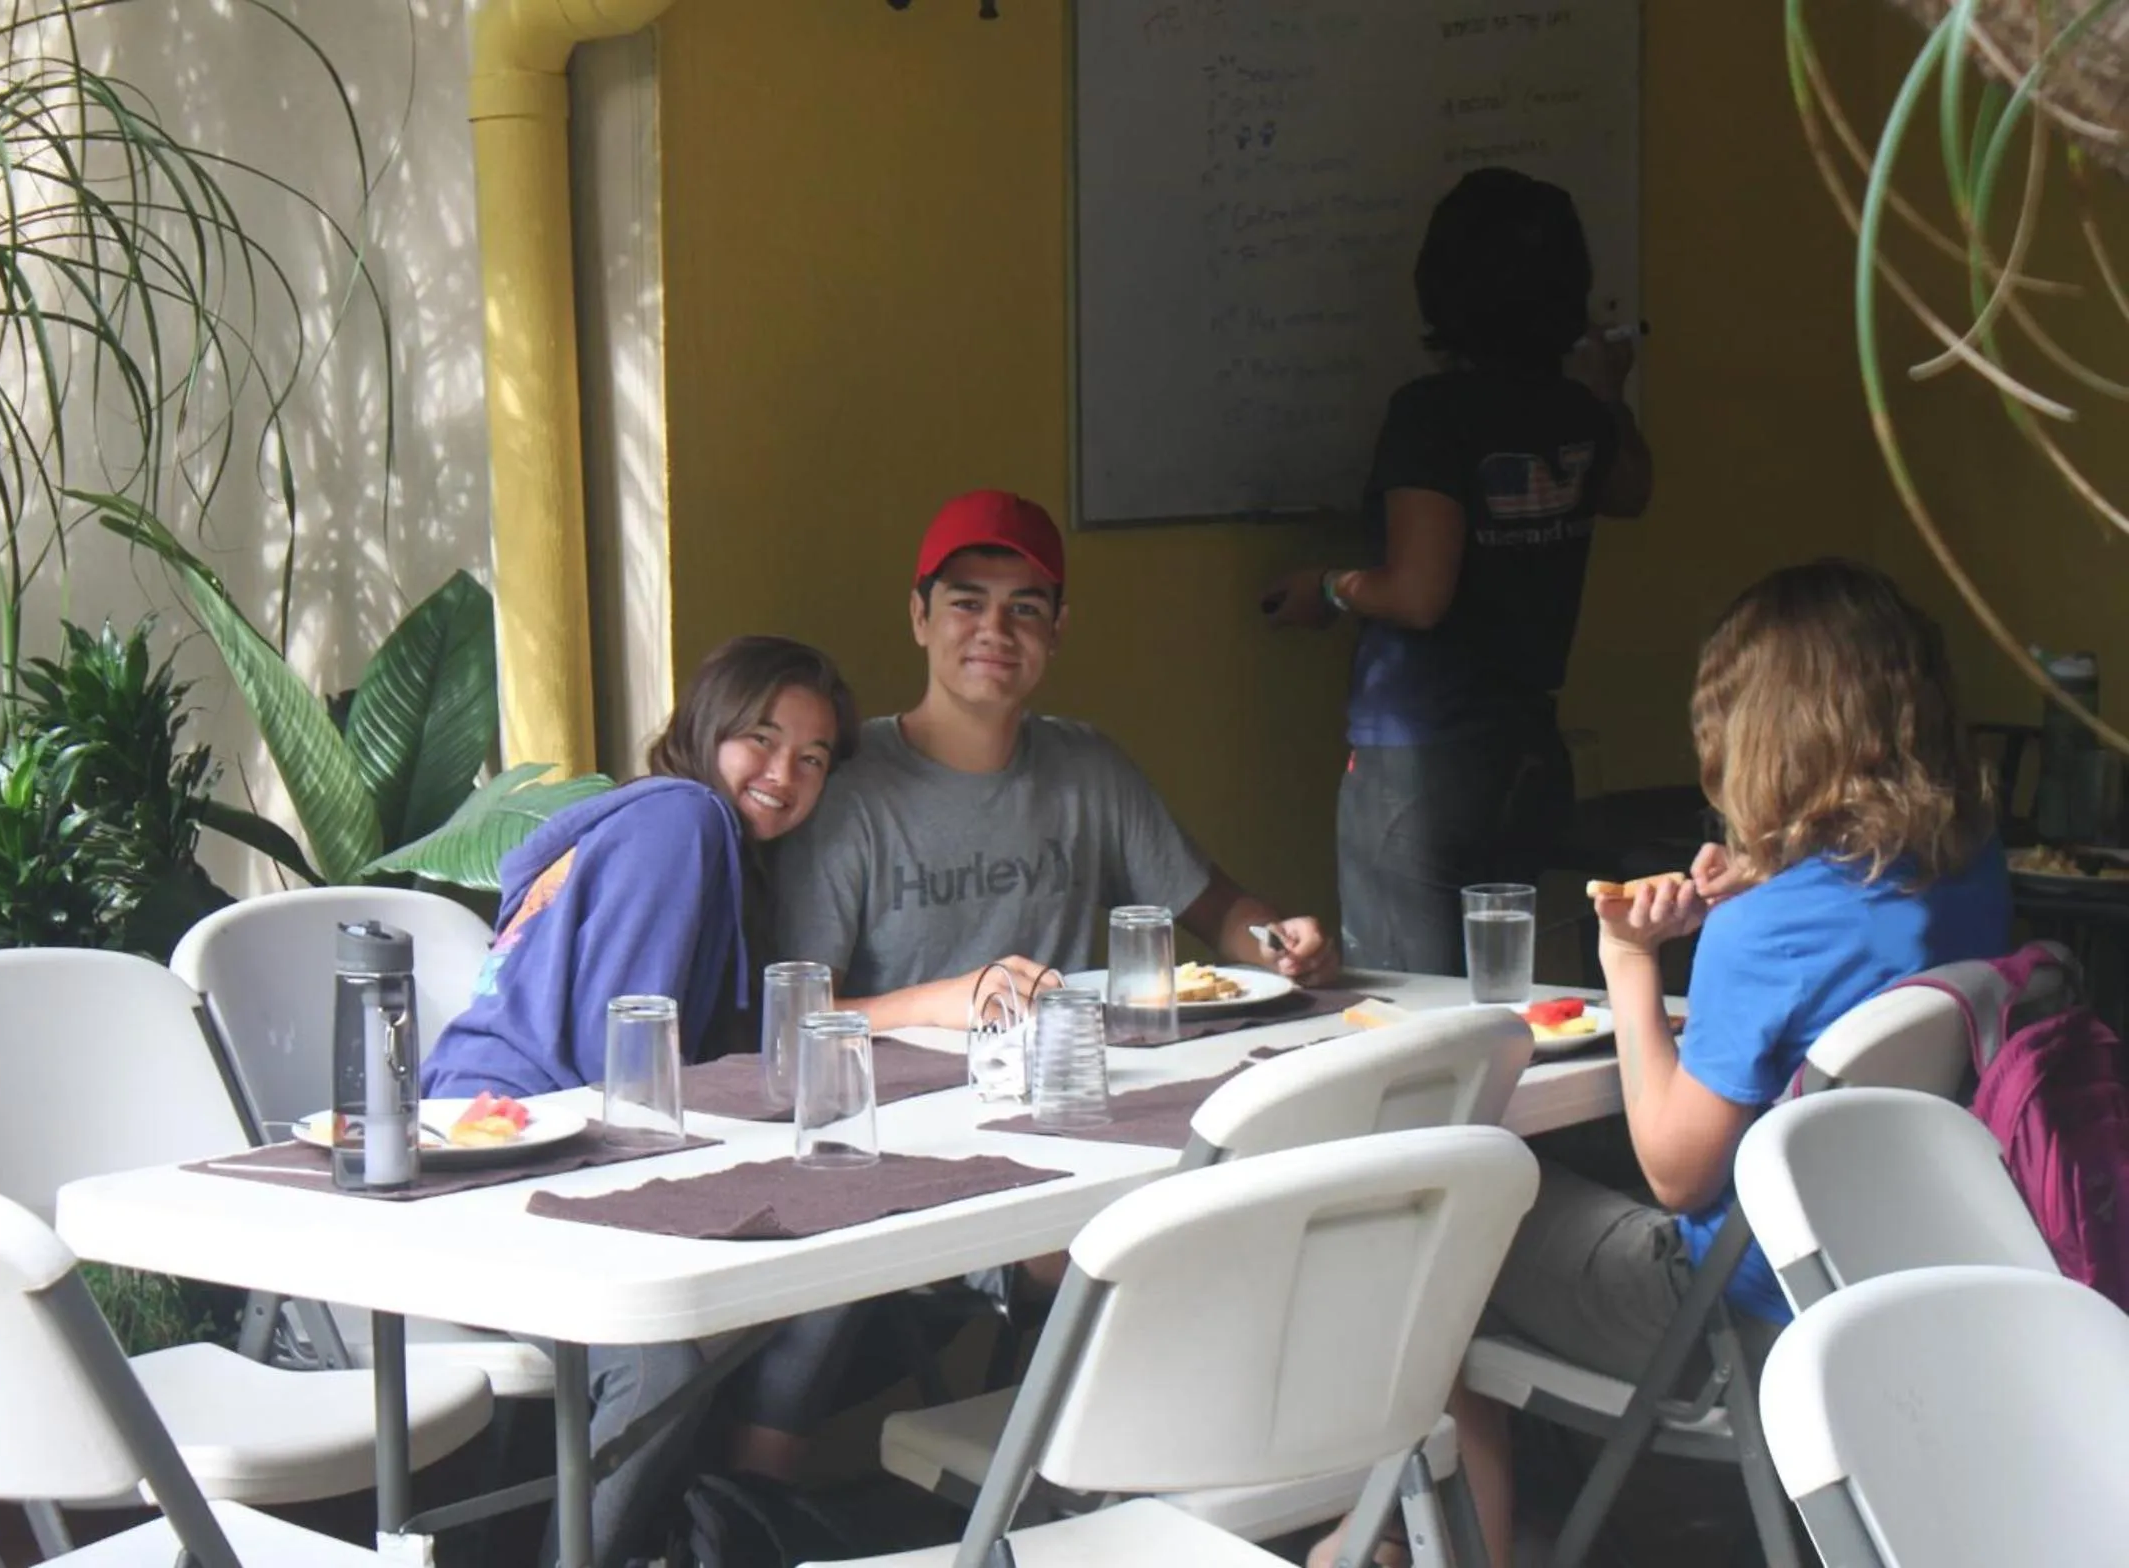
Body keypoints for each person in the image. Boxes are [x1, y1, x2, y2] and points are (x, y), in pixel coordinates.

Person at [1308, 560, 2013, 1566]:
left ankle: (1455, 1539)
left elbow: (1676, 1169)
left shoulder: (1767, 930)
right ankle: (1439, 1524)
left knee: (1434, 1202)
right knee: (1509, 1191)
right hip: (1883, 1271)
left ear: (1764, 732)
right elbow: (1836, 943)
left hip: (1730, 1312)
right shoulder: (1963, 869)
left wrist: (1630, 959)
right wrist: (1762, 880)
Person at [422, 635, 868, 1568]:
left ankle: (718, 1535)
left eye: (813, 758)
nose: (785, 773)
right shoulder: (682, 822)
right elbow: (619, 1071)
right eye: (762, 737)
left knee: (827, 1275)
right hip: (496, 1155)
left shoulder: (688, 836)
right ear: (707, 726)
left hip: (533, 1148)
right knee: (655, 1354)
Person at [1265, 167, 1655, 975]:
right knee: (1505, 1007)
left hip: (1423, 763)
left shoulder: (1432, 416)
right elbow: (1632, 490)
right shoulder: (1576, 411)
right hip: (1527, 756)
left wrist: (1328, 589)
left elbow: (1418, 592)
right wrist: (1608, 395)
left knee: (1415, 1017)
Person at [774, 488, 1337, 1030]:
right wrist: (943, 1003)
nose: (994, 631)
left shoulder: (1088, 768)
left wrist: (1280, 943)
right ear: (920, 616)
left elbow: (1216, 909)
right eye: (967, 604)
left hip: (1064, 1080)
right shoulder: (846, 780)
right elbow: (799, 1015)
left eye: (1023, 608)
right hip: (903, 1103)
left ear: (1056, 629)